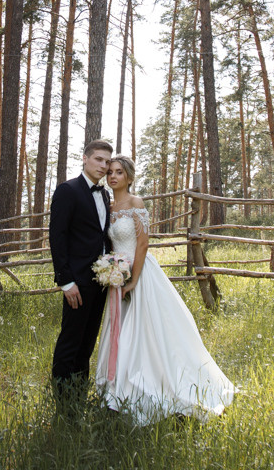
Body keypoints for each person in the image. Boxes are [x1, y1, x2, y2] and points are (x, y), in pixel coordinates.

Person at [94, 155, 235, 424]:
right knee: (121, 330)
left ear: (129, 177)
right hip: (117, 276)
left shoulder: (136, 203)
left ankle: (158, 381)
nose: (112, 177)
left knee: (148, 331)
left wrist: (133, 279)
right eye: (110, 172)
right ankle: (118, 387)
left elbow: (143, 244)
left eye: (119, 173)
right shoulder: (109, 206)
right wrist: (112, 270)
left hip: (140, 273)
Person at [48, 139, 114, 401]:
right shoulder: (68, 190)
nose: (103, 165)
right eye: (98, 159)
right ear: (85, 158)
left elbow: (101, 237)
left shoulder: (105, 194)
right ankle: (61, 400)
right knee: (70, 340)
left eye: (107, 162)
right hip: (76, 281)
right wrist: (65, 281)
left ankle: (78, 394)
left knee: (88, 342)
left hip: (100, 281)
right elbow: (57, 237)